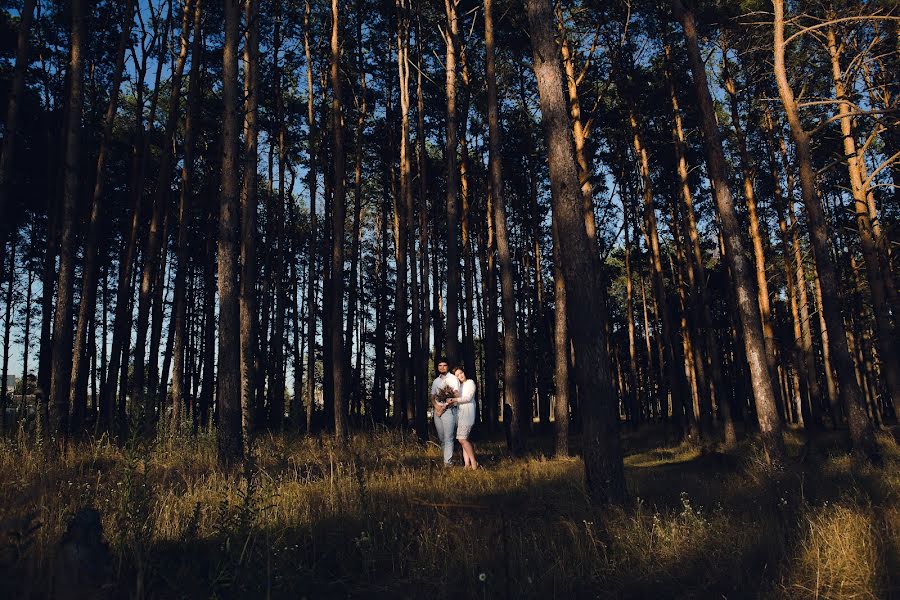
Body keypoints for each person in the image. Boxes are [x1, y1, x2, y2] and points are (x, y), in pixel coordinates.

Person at [430, 359, 460, 465]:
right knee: (442, 438)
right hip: (437, 411)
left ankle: (448, 463)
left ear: (448, 367)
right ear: (438, 367)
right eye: (440, 365)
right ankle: (446, 460)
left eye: (444, 365)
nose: (442, 367)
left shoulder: (453, 379)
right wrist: (436, 406)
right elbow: (432, 396)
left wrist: (445, 405)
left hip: (448, 410)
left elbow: (456, 394)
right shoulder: (436, 381)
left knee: (448, 438)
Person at [447, 366, 478, 470]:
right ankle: (467, 464)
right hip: (461, 415)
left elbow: (468, 398)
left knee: (462, 439)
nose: (460, 375)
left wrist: (454, 399)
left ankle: (474, 463)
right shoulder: (459, 387)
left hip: (468, 414)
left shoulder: (470, 382)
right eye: (457, 375)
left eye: (461, 373)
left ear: (464, 372)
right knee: (464, 440)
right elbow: (456, 401)